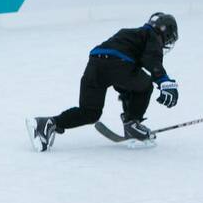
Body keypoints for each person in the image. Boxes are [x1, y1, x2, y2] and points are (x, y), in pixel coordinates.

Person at [27, 12, 179, 152]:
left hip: (95, 64)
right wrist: (164, 81)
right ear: (165, 32)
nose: (166, 43)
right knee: (145, 85)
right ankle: (132, 124)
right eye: (169, 38)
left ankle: (47, 124)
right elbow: (151, 59)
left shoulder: (127, 33)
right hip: (118, 64)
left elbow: (122, 77)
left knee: (90, 112)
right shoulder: (152, 35)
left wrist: (127, 97)